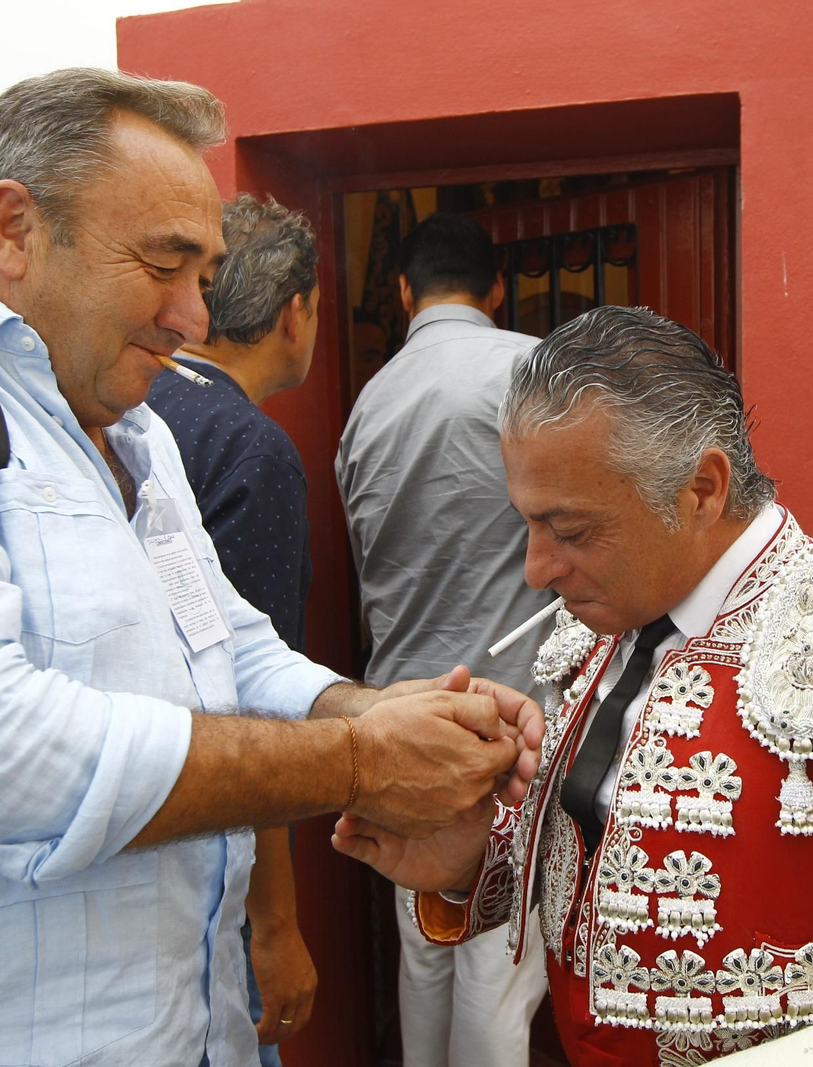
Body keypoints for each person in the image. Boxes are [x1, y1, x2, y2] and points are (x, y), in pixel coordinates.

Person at [0, 67, 540, 1066]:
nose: (193, 318)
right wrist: (361, 761)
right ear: (14, 228)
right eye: (163, 265)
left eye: (203, 276)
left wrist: (373, 711)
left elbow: (235, 653)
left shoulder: (137, 436)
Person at [333, 306, 813, 1066]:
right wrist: (472, 858)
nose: (537, 568)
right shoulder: (601, 628)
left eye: (570, 530)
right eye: (528, 526)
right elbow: (609, 869)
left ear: (702, 487)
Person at [335, 213, 550, 1067]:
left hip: (400, 713)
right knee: (498, 961)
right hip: (512, 708)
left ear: (401, 292)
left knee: (423, 944)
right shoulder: (533, 373)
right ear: (496, 290)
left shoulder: (367, 406)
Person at [145, 193, 323, 1062]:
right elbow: (251, 704)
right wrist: (277, 923)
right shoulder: (246, 445)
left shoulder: (142, 415)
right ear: (297, 313)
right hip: (220, 870)